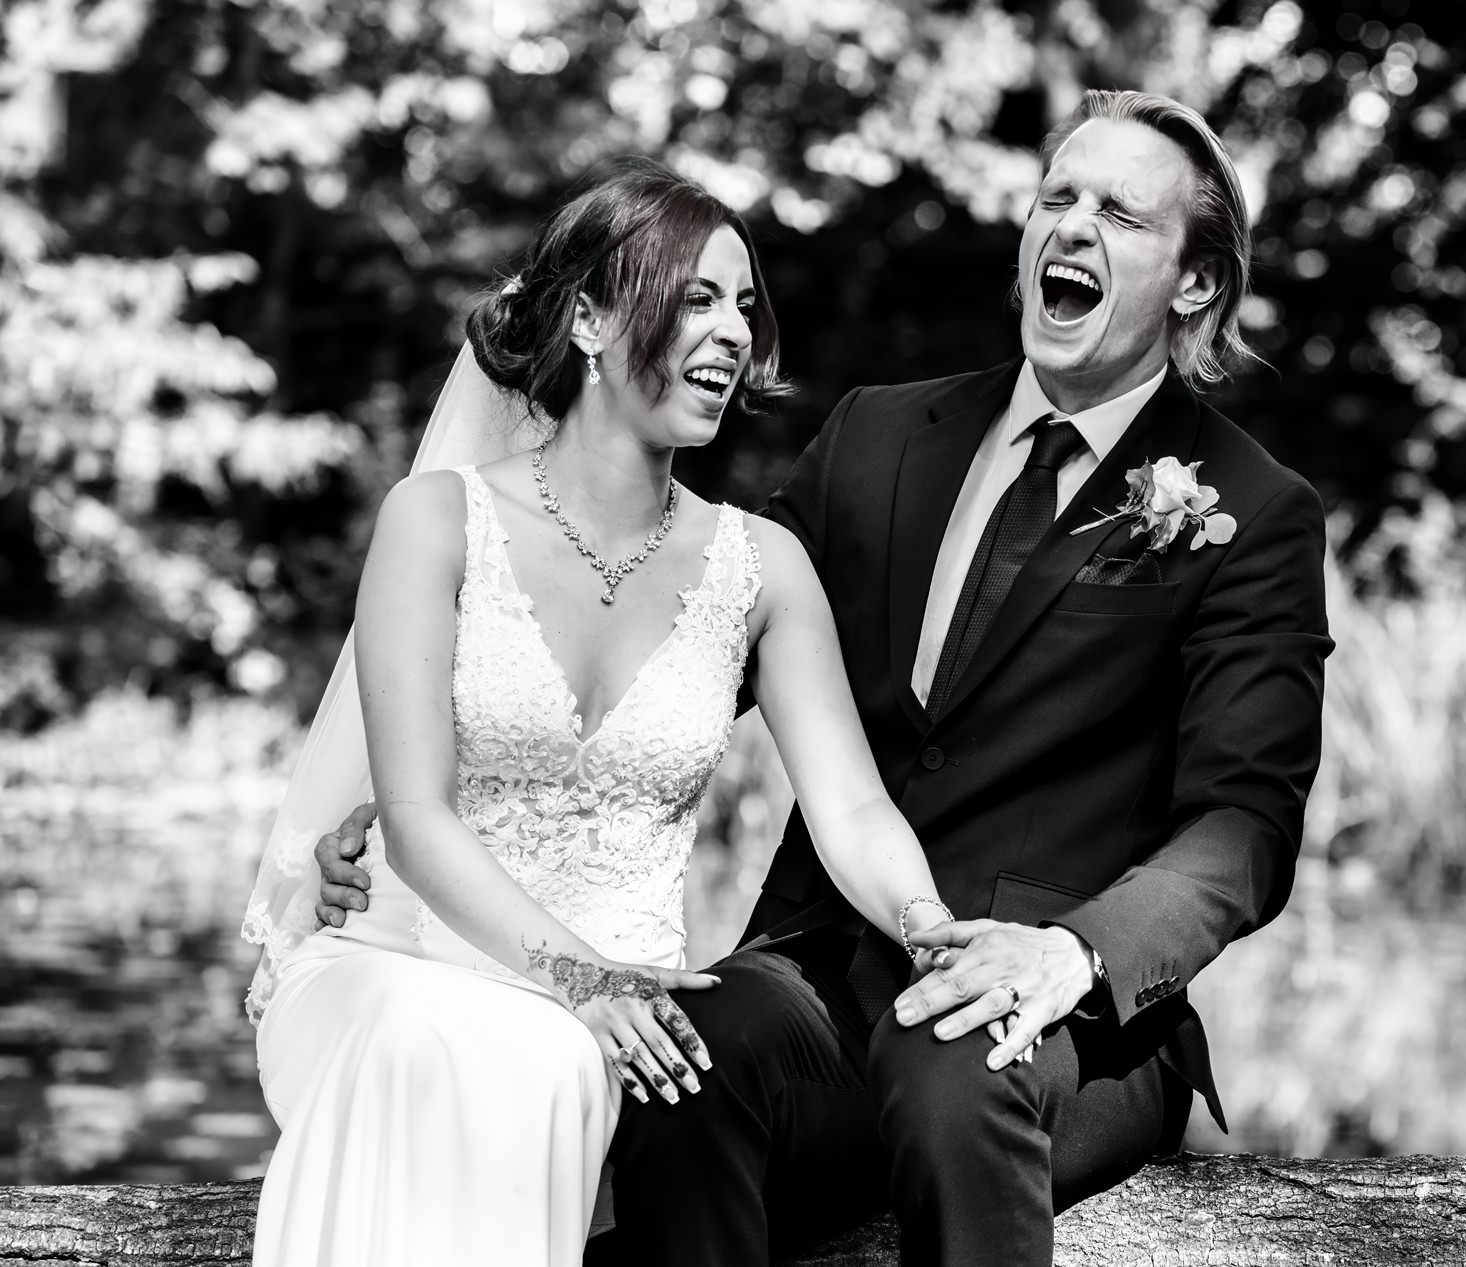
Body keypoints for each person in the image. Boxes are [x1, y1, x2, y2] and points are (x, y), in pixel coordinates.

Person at [319, 89, 1330, 1266]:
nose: (1072, 226)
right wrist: (427, 795)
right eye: (1057, 195)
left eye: (1121, 214)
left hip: (1064, 1015)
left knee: (956, 1062)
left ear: (1195, 283)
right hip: (827, 970)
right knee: (687, 1047)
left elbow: (1244, 826)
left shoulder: (1248, 510)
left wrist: (1072, 956)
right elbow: (686, 633)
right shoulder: (878, 435)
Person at [239, 157, 955, 1267]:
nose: (731, 333)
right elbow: (417, 820)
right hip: (405, 968)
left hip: (629, 1013)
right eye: (697, 297)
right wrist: (581, 977)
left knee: (565, 1059)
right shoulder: (434, 521)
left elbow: (853, 806)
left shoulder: (761, 568)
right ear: (589, 318)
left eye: (745, 306)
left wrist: (927, 926)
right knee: (483, 1045)